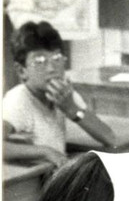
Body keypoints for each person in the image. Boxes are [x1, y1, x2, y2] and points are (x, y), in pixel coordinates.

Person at [3, 20, 116, 166]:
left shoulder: (63, 95)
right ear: (21, 71)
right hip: (34, 182)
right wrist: (45, 151)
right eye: (40, 61)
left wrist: (71, 108)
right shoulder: (18, 99)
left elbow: (109, 138)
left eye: (57, 58)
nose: (52, 68)